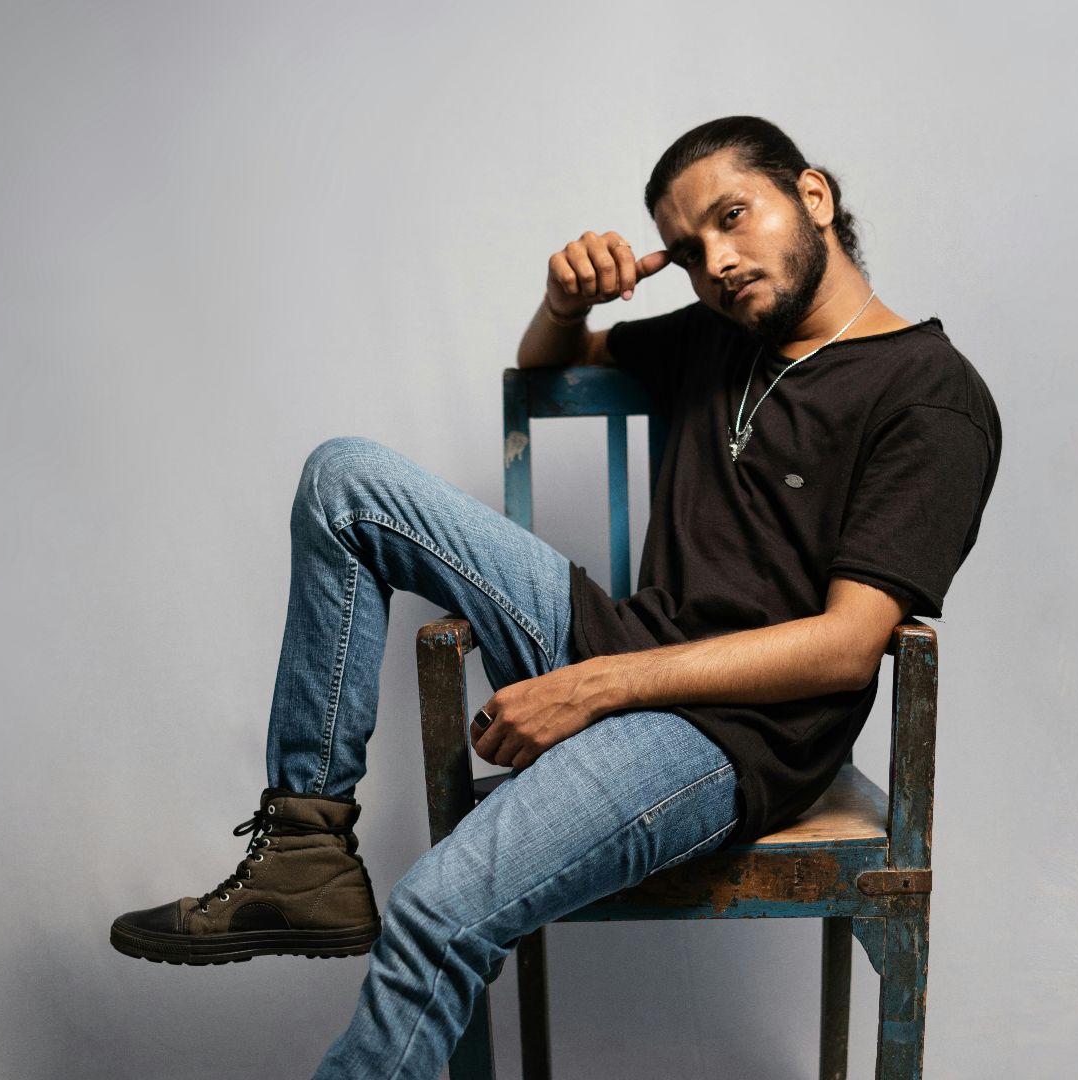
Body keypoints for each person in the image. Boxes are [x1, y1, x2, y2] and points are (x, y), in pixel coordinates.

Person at [110, 115, 1001, 1079]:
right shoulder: (724, 333)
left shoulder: (930, 394)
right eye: (694, 248)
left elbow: (844, 644)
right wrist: (563, 299)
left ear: (813, 197)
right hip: (617, 643)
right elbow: (552, 367)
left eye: (736, 217)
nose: (721, 261)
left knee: (437, 911)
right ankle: (305, 846)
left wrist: (596, 689)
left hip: (732, 735)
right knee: (345, 481)